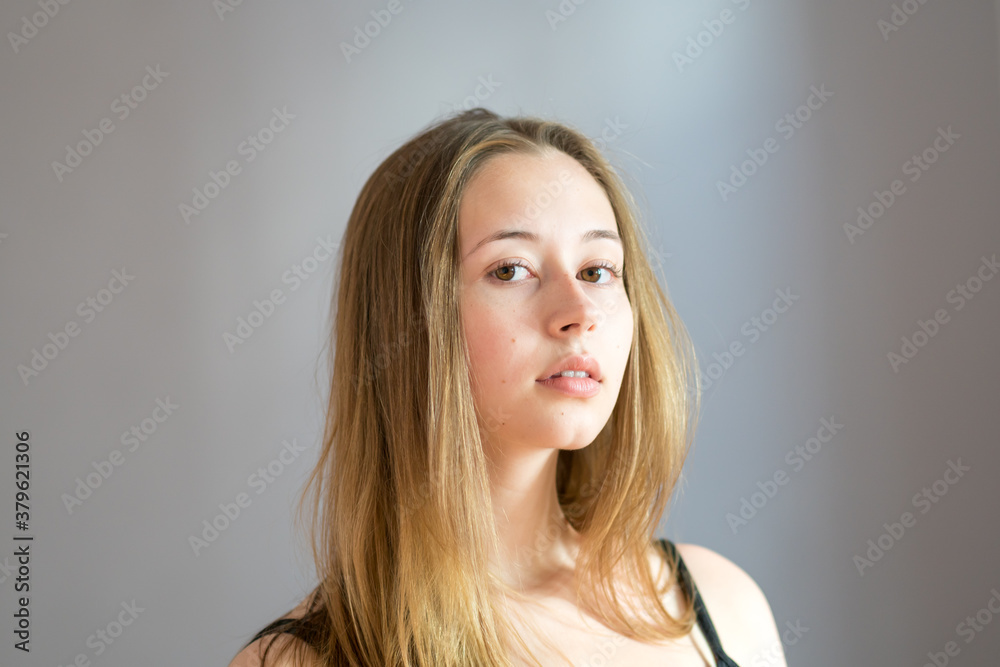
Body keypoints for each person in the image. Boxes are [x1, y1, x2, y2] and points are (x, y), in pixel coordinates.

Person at [228, 108, 787, 667]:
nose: (579, 312)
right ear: (407, 323)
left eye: (597, 271)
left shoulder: (722, 606)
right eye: (511, 270)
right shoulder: (295, 663)